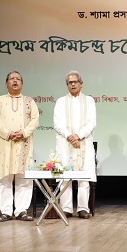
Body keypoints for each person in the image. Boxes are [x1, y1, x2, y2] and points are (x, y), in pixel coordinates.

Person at [0, 71, 39, 222]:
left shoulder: (29, 101)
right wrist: (8, 133)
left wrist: (23, 132)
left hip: (23, 143)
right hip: (4, 143)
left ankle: (21, 210)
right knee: (5, 178)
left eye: (18, 79)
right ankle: (6, 212)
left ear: (22, 84)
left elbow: (35, 120)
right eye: (12, 79)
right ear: (6, 83)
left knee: (23, 178)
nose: (15, 81)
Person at [53, 71, 97, 219]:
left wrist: (78, 135)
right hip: (66, 144)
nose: (73, 84)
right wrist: (70, 136)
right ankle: (66, 208)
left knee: (83, 177)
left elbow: (92, 123)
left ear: (81, 83)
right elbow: (57, 123)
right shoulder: (60, 101)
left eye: (75, 81)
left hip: (84, 142)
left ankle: (83, 208)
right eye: (70, 82)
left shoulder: (89, 101)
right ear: (67, 85)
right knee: (66, 176)